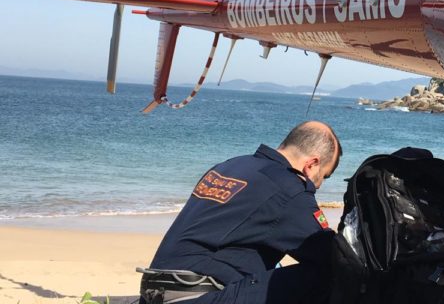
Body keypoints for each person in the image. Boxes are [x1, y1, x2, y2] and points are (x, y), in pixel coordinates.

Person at [140, 120, 342, 304]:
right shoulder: (289, 188)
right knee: (332, 274)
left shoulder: (230, 166)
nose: (320, 184)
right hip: (200, 295)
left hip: (154, 291)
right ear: (312, 164)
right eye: (325, 175)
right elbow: (333, 255)